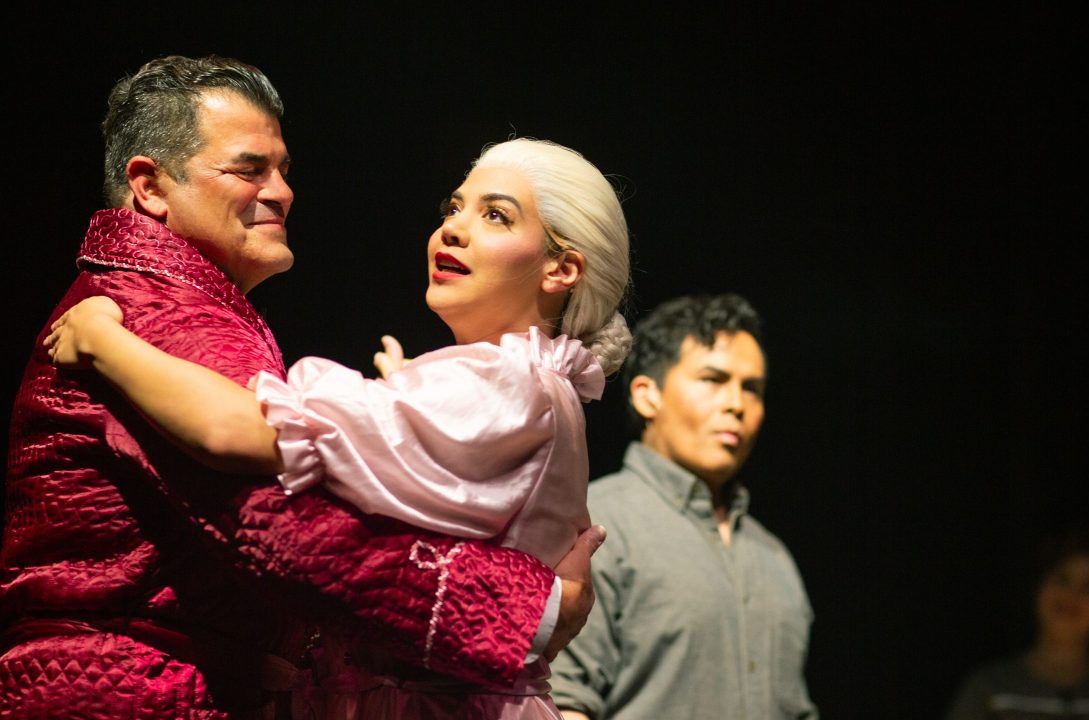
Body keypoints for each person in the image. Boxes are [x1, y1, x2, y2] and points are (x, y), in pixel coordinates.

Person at [1, 54, 600, 719]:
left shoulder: (155, 305)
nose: (283, 192)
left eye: (283, 171)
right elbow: (285, 527)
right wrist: (533, 608)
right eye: (250, 169)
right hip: (134, 692)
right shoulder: (157, 314)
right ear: (149, 186)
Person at [549, 293, 819, 720]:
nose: (736, 404)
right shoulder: (596, 525)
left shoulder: (774, 558)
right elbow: (563, 702)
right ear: (647, 396)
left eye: (752, 389)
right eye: (713, 379)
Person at [944, 528, 1089, 720]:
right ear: (1038, 589)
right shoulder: (989, 690)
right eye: (1062, 579)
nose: (1071, 595)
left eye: (1088, 587)